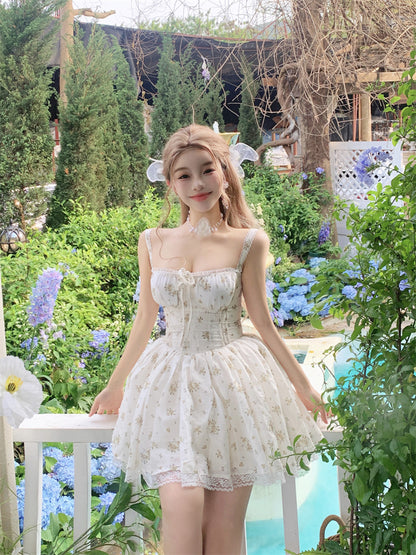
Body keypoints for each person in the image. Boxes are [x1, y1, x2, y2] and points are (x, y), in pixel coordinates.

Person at [89, 124, 327, 555]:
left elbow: (263, 322)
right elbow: (145, 319)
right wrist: (115, 384)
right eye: (184, 174)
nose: (197, 183)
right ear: (170, 183)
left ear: (225, 173)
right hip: (171, 386)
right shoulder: (152, 241)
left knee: (223, 531)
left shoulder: (249, 242)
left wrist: (303, 386)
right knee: (181, 517)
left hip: (232, 386)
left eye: (207, 170)